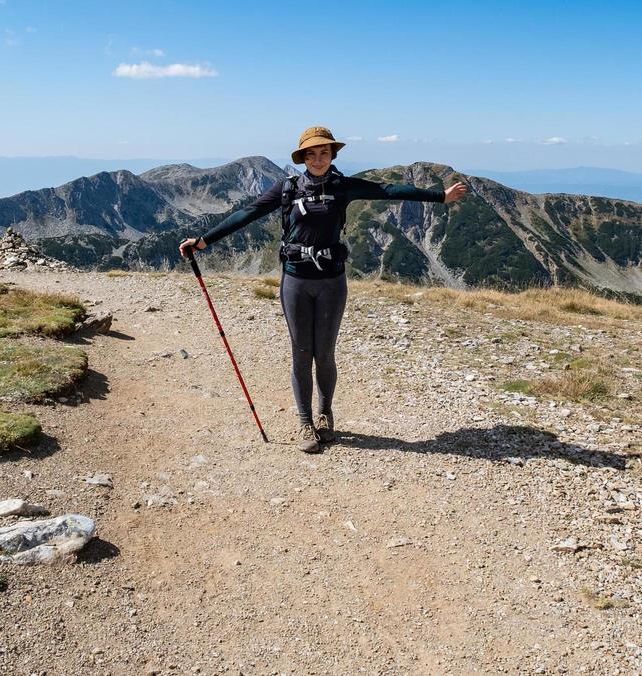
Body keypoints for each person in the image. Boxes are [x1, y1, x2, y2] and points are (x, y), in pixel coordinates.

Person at [179, 125, 468, 453]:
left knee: (325, 353)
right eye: (312, 154)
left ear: (332, 155)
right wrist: (204, 241)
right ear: (302, 157)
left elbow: (388, 190)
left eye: (324, 153)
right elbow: (248, 213)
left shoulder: (344, 187)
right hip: (295, 281)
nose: (318, 159)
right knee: (302, 353)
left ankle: (325, 413)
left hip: (332, 281)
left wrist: (439, 197)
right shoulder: (287, 189)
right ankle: (305, 422)